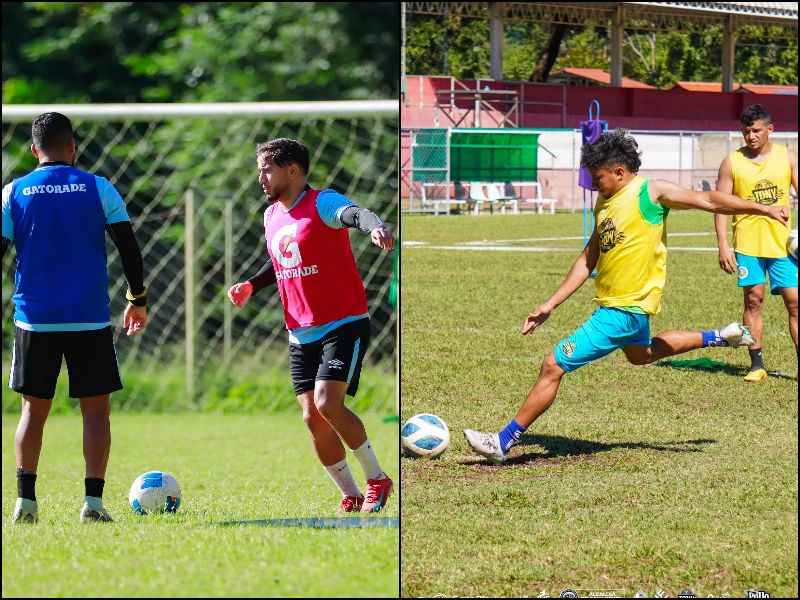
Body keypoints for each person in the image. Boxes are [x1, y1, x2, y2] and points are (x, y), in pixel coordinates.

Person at [464, 129, 789, 464]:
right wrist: (550, 303)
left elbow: (708, 200)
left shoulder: (650, 192)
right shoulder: (606, 202)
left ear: (620, 172)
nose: (594, 185)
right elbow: (589, 256)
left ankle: (501, 442)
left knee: (553, 364)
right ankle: (721, 336)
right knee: (642, 355)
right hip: (621, 308)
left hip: (623, 310)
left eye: (598, 178)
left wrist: (760, 209)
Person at [227, 138, 395, 512]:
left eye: (267, 169)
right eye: (259, 170)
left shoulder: (322, 202)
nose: (261, 178)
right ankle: (350, 493)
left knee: (327, 403)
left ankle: (377, 478)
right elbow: (283, 259)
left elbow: (355, 214)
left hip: (343, 322)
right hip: (299, 331)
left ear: (292, 170)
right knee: (311, 417)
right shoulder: (271, 216)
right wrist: (252, 284)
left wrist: (375, 227)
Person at [1, 112, 148, 522]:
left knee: (33, 410)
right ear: (73, 147)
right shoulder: (97, 187)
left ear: (34, 151)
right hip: (89, 317)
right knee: (96, 410)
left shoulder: (13, 191)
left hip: (34, 318)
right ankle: (93, 504)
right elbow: (129, 247)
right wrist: (137, 298)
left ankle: (25, 501)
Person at [714, 104, 798, 382]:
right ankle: (756, 364)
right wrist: (723, 245)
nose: (750, 136)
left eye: (756, 130)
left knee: (795, 302)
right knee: (753, 301)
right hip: (747, 245)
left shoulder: (787, 158)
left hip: (783, 245)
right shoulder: (732, 162)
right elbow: (720, 205)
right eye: (746, 131)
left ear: (770, 130)